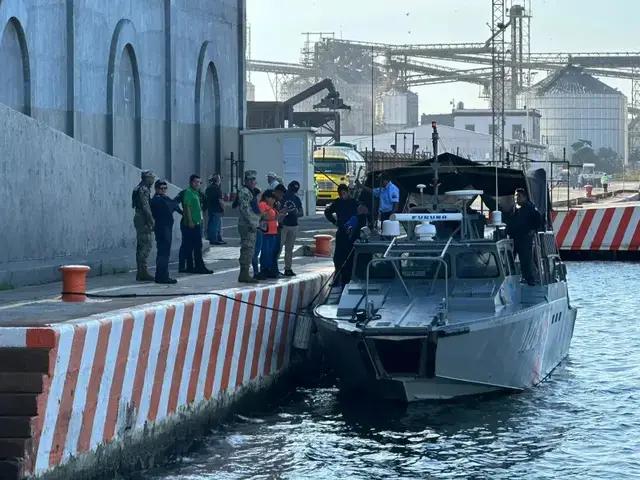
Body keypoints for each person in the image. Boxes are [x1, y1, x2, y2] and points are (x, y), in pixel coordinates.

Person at [506, 188, 542, 286]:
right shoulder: (513, 208)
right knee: (509, 259)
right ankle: (509, 278)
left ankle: (529, 280)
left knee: (525, 260)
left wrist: (533, 230)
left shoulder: (530, 208)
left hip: (524, 238)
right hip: (513, 238)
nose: (517, 198)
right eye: (515, 196)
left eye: (519, 196)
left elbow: (538, 219)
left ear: (525, 197)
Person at [324, 184, 359, 286]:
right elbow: (327, 212)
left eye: (344, 193)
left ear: (348, 192)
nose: (342, 196)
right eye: (340, 194)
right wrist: (335, 222)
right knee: (338, 257)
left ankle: (349, 278)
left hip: (352, 233)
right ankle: (337, 277)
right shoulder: (337, 203)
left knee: (350, 256)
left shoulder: (354, 202)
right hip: (342, 231)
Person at [150, 180, 180, 284]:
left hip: (166, 227)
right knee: (163, 253)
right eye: (161, 188)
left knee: (165, 253)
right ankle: (162, 276)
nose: (163, 190)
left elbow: (173, 205)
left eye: (165, 188)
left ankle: (162, 275)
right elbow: (169, 208)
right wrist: (175, 203)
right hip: (162, 228)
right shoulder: (157, 200)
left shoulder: (164, 198)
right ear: (156, 189)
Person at [181, 174, 213, 275]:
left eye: (199, 182)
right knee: (197, 246)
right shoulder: (189, 192)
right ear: (191, 182)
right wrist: (190, 220)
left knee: (192, 246)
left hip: (198, 222)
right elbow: (187, 207)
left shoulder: (196, 193)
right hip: (192, 224)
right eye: (195, 182)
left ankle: (191, 266)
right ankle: (199, 266)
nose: (197, 184)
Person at [237, 170, 261, 283]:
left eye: (253, 179)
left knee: (250, 249)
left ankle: (245, 272)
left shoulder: (250, 191)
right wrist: (253, 222)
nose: (252, 182)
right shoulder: (245, 192)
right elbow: (245, 209)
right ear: (246, 180)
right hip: (247, 224)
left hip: (250, 224)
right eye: (250, 180)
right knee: (247, 248)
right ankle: (244, 273)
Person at [132, 170, 155, 282]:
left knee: (141, 245)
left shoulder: (137, 188)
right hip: (143, 218)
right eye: (151, 177)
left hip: (138, 216)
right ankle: (142, 272)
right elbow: (146, 207)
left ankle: (141, 271)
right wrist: (151, 221)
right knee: (146, 244)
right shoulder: (144, 189)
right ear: (147, 178)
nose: (153, 180)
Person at [280, 180, 304, 276]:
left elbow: (301, 212)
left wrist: (295, 213)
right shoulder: (283, 197)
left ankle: (288, 268)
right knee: (279, 247)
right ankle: (274, 267)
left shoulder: (296, 199)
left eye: (295, 190)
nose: (293, 191)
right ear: (289, 187)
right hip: (283, 224)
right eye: (292, 189)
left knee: (289, 249)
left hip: (293, 225)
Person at [256, 190, 281, 280]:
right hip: (266, 232)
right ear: (267, 198)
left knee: (270, 251)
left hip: (273, 231)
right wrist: (274, 217)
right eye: (272, 198)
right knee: (265, 251)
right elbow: (263, 217)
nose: (273, 200)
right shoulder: (262, 205)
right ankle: (264, 268)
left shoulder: (272, 207)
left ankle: (269, 268)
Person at [205, 174, 226, 245]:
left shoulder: (208, 188)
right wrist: (223, 209)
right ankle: (215, 239)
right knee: (216, 225)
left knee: (211, 224)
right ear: (218, 180)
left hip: (210, 209)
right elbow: (221, 201)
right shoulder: (218, 189)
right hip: (217, 210)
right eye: (220, 179)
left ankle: (213, 238)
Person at [272, 183, 288, 275]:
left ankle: (275, 269)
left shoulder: (278, 203)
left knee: (277, 250)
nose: (282, 197)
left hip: (278, 228)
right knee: (272, 251)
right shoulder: (272, 202)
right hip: (272, 229)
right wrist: (280, 214)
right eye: (281, 195)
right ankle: (271, 269)